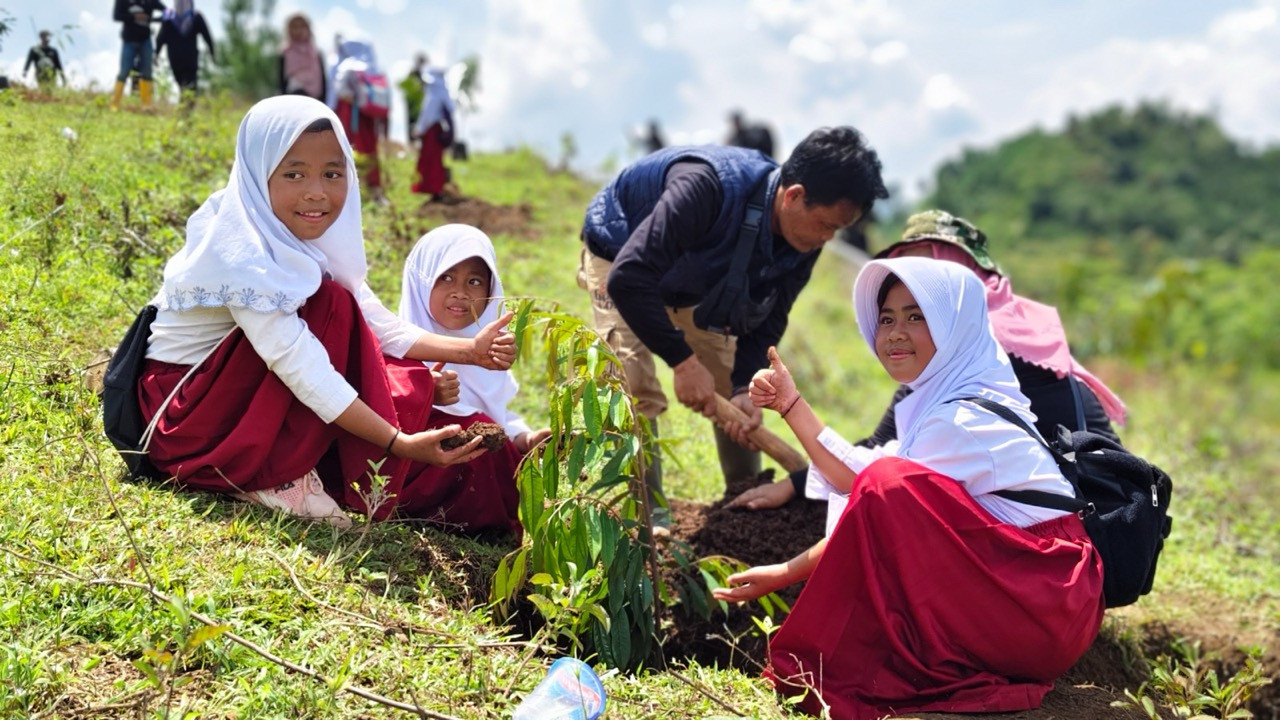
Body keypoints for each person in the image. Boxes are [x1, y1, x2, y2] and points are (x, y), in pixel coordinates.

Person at [713, 256, 1105, 718]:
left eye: (917, 317)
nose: (895, 333)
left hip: (1044, 600)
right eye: (887, 319)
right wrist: (790, 403)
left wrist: (785, 572)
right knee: (886, 482)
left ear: (954, 327)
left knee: (887, 486)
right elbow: (861, 475)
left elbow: (875, 497)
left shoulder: (962, 419)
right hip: (1042, 601)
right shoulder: (953, 399)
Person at [136, 95, 523, 534]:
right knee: (330, 305)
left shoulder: (286, 232)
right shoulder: (242, 253)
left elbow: (376, 322)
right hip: (186, 425)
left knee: (338, 303)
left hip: (222, 402)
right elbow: (303, 369)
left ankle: (284, 461)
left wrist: (470, 351)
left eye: (332, 174)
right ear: (259, 173)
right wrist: (398, 442)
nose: (316, 192)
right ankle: (271, 474)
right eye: (294, 174)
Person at [577, 126, 888, 532]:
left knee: (731, 389)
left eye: (836, 230)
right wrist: (683, 362)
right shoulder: (706, 187)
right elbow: (629, 278)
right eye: (826, 224)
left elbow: (770, 320)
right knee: (631, 379)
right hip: (621, 254)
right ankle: (648, 518)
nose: (828, 238)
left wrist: (743, 386)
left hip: (692, 278)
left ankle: (745, 509)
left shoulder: (804, 240)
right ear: (793, 196)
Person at [729, 208, 1127, 511]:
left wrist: (794, 513)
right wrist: (798, 473)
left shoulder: (975, 355)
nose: (916, 283)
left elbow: (884, 480)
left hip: (1079, 531)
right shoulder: (1006, 334)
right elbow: (891, 453)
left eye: (927, 276)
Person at [399, 223, 553, 455]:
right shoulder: (395, 349)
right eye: (446, 277)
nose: (460, 293)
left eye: (474, 282)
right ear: (422, 280)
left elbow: (495, 419)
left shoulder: (487, 354)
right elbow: (382, 417)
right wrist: (424, 393)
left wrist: (525, 439)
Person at [329, 38, 387, 204]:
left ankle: (349, 191)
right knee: (369, 150)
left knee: (348, 148)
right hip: (367, 118)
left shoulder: (346, 67)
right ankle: (373, 190)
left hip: (350, 116)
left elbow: (340, 92)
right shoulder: (373, 68)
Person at [410, 58, 456, 202]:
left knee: (431, 162)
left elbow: (427, 117)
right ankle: (436, 190)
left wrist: (418, 130)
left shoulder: (433, 96)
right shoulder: (443, 94)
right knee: (435, 161)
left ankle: (435, 190)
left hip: (431, 132)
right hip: (437, 131)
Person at [111, 0, 165, 111]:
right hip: (128, 41)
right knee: (124, 71)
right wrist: (134, 17)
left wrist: (151, 19)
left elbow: (167, 12)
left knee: (147, 72)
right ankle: (114, 104)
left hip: (145, 41)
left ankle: (147, 106)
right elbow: (116, 16)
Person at [154, 0, 215, 96]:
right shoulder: (195, 16)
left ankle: (185, 102)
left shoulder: (169, 17)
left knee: (184, 86)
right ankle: (186, 102)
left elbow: (160, 39)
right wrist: (212, 53)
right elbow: (207, 37)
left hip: (176, 59)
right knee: (190, 87)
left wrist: (156, 54)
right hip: (189, 59)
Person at [278, 13, 327, 102]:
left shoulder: (316, 54)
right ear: (289, 29)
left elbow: (323, 81)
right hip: (292, 100)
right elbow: (281, 83)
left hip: (316, 101)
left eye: (302, 26)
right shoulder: (285, 53)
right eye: (295, 26)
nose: (299, 30)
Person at [400, 52, 428, 144]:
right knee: (411, 122)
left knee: (418, 122)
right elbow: (407, 87)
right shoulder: (413, 73)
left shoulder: (422, 74)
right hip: (412, 103)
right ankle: (411, 142)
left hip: (419, 104)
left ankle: (416, 142)